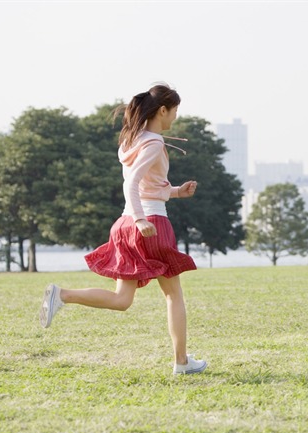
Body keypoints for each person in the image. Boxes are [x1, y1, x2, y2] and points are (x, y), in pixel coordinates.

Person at [39, 83, 206, 375]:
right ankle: (181, 362)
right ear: (163, 110)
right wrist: (142, 219)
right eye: (175, 111)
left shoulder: (130, 141)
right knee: (173, 295)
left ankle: (61, 295)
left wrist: (177, 192)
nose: (175, 118)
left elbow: (147, 185)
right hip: (149, 224)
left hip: (124, 225)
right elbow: (132, 184)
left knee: (121, 300)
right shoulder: (153, 142)